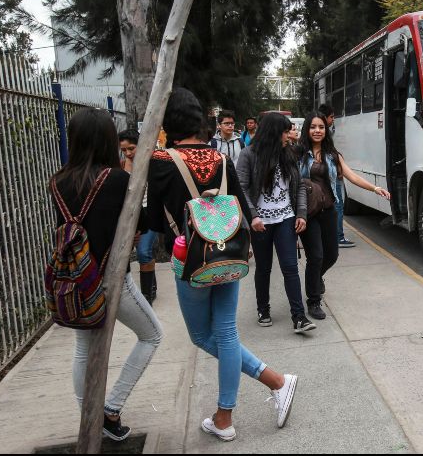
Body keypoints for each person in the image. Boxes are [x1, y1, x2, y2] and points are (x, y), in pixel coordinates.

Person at [147, 89, 299, 441]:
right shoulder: (219, 157)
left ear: (167, 121)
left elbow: (154, 222)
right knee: (227, 332)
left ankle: (269, 385)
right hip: (228, 254)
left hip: (191, 261)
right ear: (200, 119)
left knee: (203, 336)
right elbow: (241, 207)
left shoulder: (160, 161)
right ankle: (226, 416)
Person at [50, 108, 163, 441]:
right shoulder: (116, 180)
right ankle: (110, 408)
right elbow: (140, 225)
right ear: (105, 142)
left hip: (75, 282)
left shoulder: (57, 181)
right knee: (152, 335)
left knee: (83, 349)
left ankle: (90, 414)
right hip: (111, 280)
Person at [297, 112, 391, 320]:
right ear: (307, 129)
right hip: (308, 214)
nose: (317, 131)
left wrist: (374, 188)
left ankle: (316, 278)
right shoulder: (298, 154)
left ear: (326, 130)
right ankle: (313, 301)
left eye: (321, 127)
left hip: (329, 211)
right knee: (316, 256)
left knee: (331, 255)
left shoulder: (332, 155)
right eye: (313, 127)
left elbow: (352, 176)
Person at [236, 112, 315, 333]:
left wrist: (301, 214)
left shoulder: (288, 154)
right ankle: (263, 309)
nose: (289, 135)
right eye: (285, 131)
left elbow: (298, 185)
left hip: (285, 219)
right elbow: (241, 188)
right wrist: (252, 216)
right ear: (274, 132)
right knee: (263, 268)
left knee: (290, 267)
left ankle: (299, 317)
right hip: (260, 222)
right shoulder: (248, 155)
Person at [119, 128, 159, 305]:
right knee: (135, 254)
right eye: (124, 150)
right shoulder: (119, 167)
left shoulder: (152, 163)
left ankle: (146, 296)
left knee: (143, 252)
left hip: (148, 212)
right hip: (128, 216)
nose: (128, 153)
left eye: (131, 148)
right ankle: (152, 285)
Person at [318, 103, 354, 248]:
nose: (333, 120)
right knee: (338, 205)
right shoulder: (324, 134)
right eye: (331, 117)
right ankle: (338, 236)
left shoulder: (325, 134)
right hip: (330, 178)